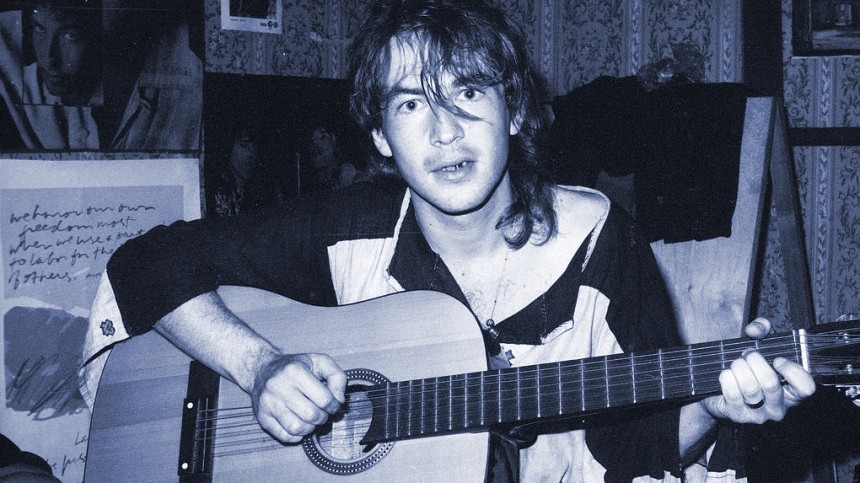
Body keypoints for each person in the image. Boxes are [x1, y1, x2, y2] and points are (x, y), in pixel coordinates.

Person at [83, 1, 816, 481]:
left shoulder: (601, 243)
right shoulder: (346, 227)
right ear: (380, 136)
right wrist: (260, 365)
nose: (445, 132)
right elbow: (145, 264)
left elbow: (632, 446)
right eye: (411, 103)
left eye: (468, 92)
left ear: (514, 110)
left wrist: (714, 407)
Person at [0, 0, 201, 150]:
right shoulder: (16, 51)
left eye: (71, 36)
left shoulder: (191, 64)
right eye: (39, 29)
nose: (49, 60)